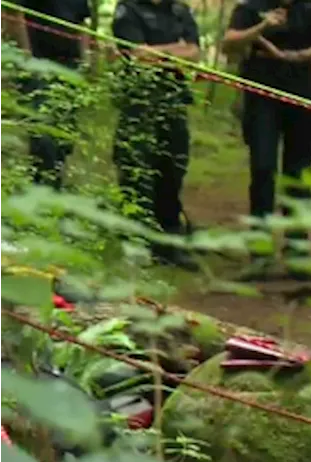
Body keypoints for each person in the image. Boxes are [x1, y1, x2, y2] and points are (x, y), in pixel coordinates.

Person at [222, 0, 311, 227]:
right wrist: (262, 27)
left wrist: (291, 56)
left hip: (302, 94)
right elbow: (229, 42)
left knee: (299, 172)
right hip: (261, 95)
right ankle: (259, 243)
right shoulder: (251, 5)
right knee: (263, 167)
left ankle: (296, 243)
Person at [111, 0, 201, 268]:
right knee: (134, 169)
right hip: (139, 101)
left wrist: (157, 52)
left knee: (173, 168)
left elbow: (195, 52)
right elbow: (137, 55)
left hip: (173, 99)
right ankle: (135, 240)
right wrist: (175, 51)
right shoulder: (129, 8)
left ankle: (169, 243)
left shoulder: (180, 10)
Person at [6, 0, 92, 189]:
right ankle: (40, 188)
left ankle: (56, 188)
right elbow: (16, 15)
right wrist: (27, 57)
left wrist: (85, 61)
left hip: (70, 66)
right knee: (42, 135)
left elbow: (82, 25)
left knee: (64, 135)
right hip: (40, 64)